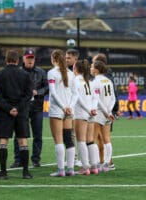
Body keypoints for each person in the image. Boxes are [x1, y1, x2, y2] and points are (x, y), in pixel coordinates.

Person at [0, 49, 33, 179]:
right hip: (21, 112)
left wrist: (9, 108)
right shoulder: (25, 75)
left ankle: (3, 172)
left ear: (6, 60)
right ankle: (25, 172)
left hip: (5, 113)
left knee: (3, 141)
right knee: (22, 140)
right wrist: (17, 107)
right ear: (18, 60)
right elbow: (28, 94)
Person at [10, 49, 48, 168]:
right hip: (23, 108)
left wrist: (38, 92)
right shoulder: (18, 72)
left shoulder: (41, 72)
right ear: (23, 59)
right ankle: (18, 159)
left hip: (37, 107)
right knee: (19, 134)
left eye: (32, 58)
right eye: (28, 58)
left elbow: (47, 87)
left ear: (34, 59)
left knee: (38, 134)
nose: (30, 60)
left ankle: (36, 159)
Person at [48, 49, 75, 177]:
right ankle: (70, 169)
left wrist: (63, 107)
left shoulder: (52, 73)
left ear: (53, 58)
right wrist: (69, 107)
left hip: (57, 109)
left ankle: (61, 170)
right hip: (69, 109)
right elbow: (76, 94)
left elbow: (53, 93)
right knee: (68, 139)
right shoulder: (71, 73)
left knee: (58, 140)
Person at [71, 59, 99, 175]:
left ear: (76, 69)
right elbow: (95, 98)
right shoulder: (89, 81)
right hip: (91, 113)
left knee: (81, 140)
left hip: (81, 112)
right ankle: (94, 166)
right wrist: (93, 109)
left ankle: (85, 167)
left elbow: (78, 98)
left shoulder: (76, 80)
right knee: (90, 140)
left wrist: (88, 109)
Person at [91, 53, 118, 171]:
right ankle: (107, 163)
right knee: (107, 138)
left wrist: (105, 112)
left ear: (96, 70)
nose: (91, 69)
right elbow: (113, 98)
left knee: (94, 138)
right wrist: (109, 111)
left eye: (92, 67)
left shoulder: (95, 82)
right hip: (108, 111)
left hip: (99, 112)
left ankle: (96, 163)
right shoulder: (108, 81)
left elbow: (97, 100)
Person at [65, 48, 82, 167]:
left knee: (74, 134)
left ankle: (75, 158)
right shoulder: (66, 71)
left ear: (75, 59)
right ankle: (73, 157)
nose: (66, 60)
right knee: (70, 133)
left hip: (78, 108)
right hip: (70, 106)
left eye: (69, 58)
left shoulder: (77, 73)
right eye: (66, 57)